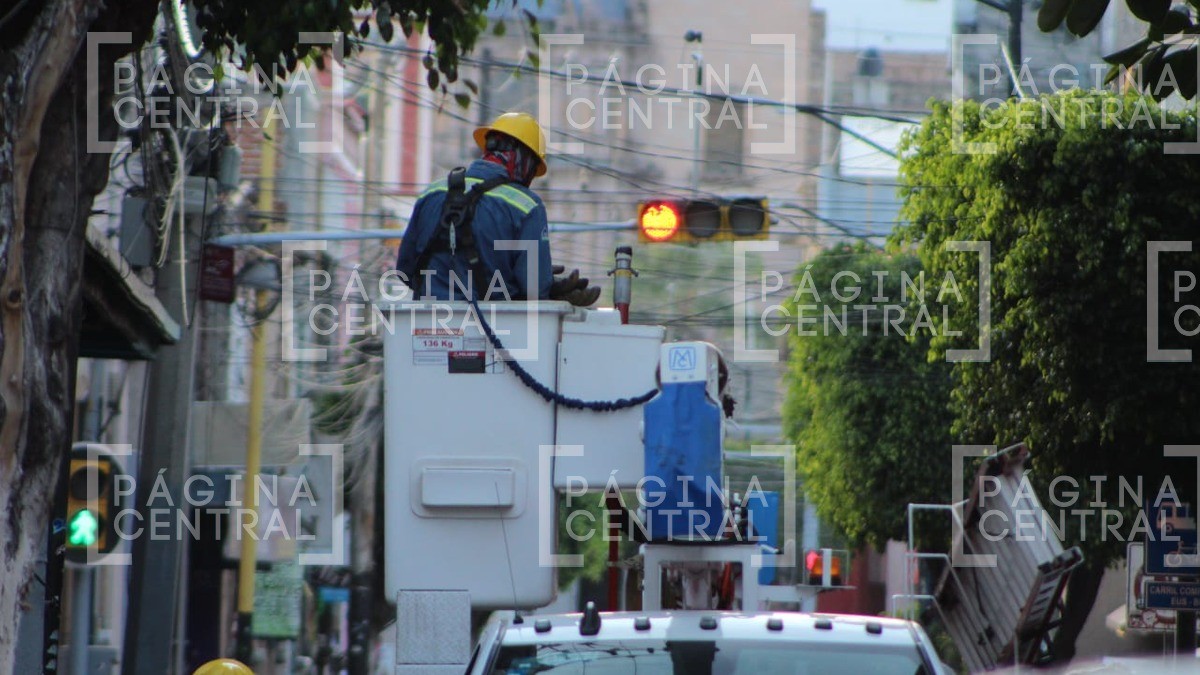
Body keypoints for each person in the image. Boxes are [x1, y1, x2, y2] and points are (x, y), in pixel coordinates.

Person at [396, 112, 600, 306]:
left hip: (424, 329)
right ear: (524, 161)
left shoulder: (431, 193)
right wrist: (546, 286)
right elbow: (534, 290)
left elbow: (404, 271)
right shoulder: (526, 206)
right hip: (493, 330)